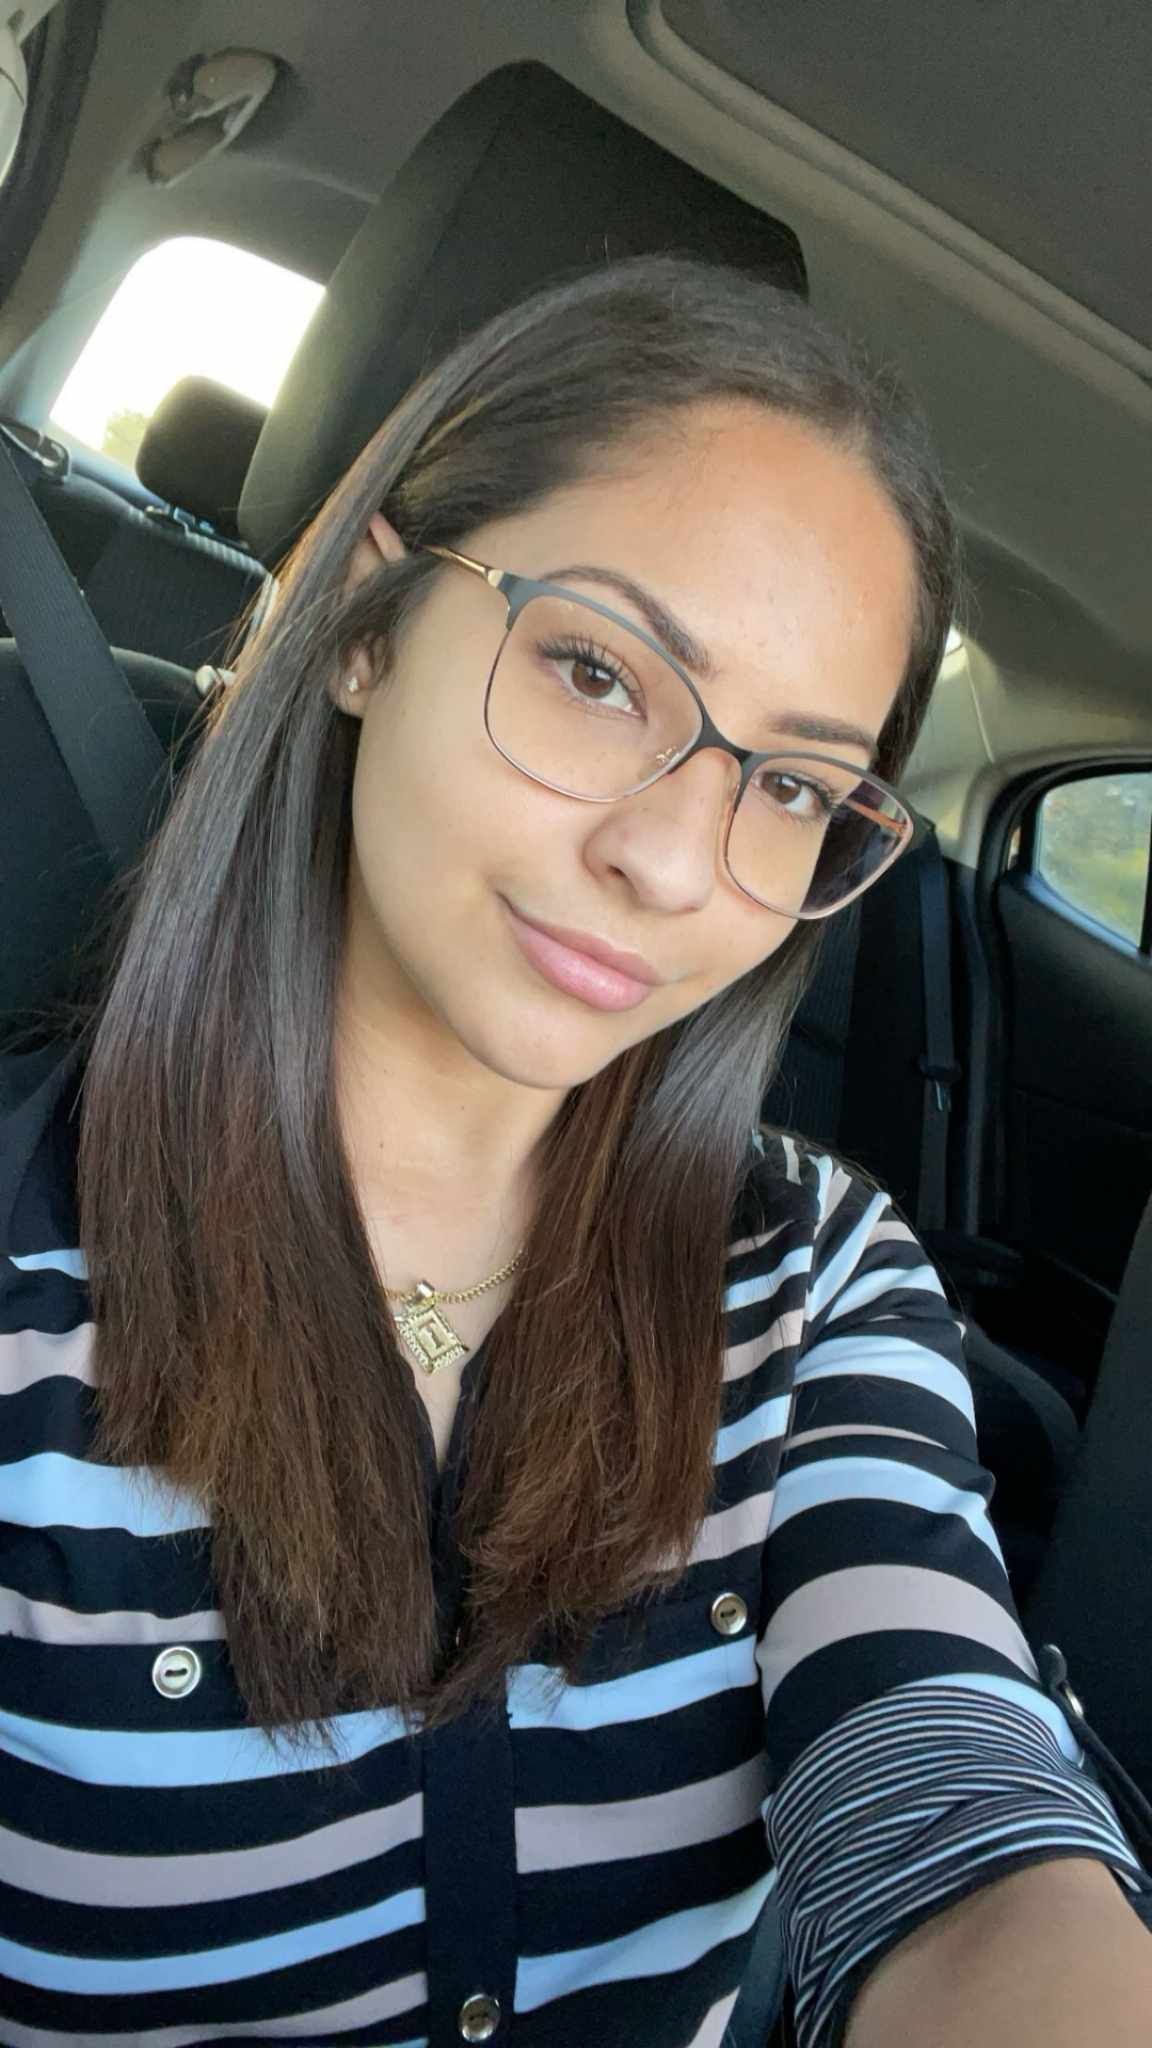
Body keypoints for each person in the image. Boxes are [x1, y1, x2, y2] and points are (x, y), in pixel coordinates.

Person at [1, 255, 1149, 2048]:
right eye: (600, 673)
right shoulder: (25, 1287)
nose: (679, 865)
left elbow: (954, 1799)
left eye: (788, 785)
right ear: (368, 617)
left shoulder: (808, 1277)